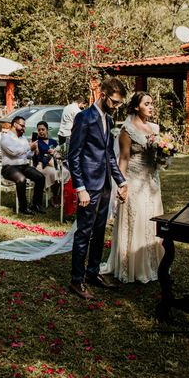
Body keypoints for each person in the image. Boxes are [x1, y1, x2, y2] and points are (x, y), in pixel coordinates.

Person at [67, 76, 128, 300]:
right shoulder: (84, 117)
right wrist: (80, 187)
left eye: (120, 103)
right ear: (103, 95)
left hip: (104, 185)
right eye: (114, 102)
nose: (117, 107)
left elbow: (109, 155)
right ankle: (77, 280)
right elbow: (73, 156)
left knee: (100, 231)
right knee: (84, 232)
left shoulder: (109, 120)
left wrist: (121, 181)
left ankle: (92, 273)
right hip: (88, 186)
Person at [100, 92, 164, 283]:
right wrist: (122, 183)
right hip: (134, 180)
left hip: (151, 179)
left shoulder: (154, 127)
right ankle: (133, 266)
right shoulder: (127, 130)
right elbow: (124, 159)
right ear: (136, 107)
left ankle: (153, 263)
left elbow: (158, 153)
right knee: (137, 219)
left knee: (152, 220)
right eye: (147, 104)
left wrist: (164, 156)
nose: (151, 106)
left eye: (152, 103)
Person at [0, 116, 45, 215]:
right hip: (9, 168)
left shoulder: (23, 138)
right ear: (15, 124)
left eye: (24, 126)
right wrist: (29, 147)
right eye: (22, 126)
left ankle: (36, 205)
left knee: (40, 177)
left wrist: (33, 150)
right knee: (21, 179)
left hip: (24, 166)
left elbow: (27, 155)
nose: (24, 129)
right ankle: (23, 207)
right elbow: (14, 152)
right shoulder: (5, 138)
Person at [32, 121, 61, 207]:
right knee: (53, 173)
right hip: (41, 165)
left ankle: (61, 197)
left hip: (54, 164)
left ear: (47, 130)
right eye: (39, 130)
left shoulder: (53, 141)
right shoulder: (36, 142)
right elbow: (35, 158)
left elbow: (58, 153)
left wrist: (55, 153)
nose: (41, 131)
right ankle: (54, 197)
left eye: (43, 129)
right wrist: (36, 150)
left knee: (65, 172)